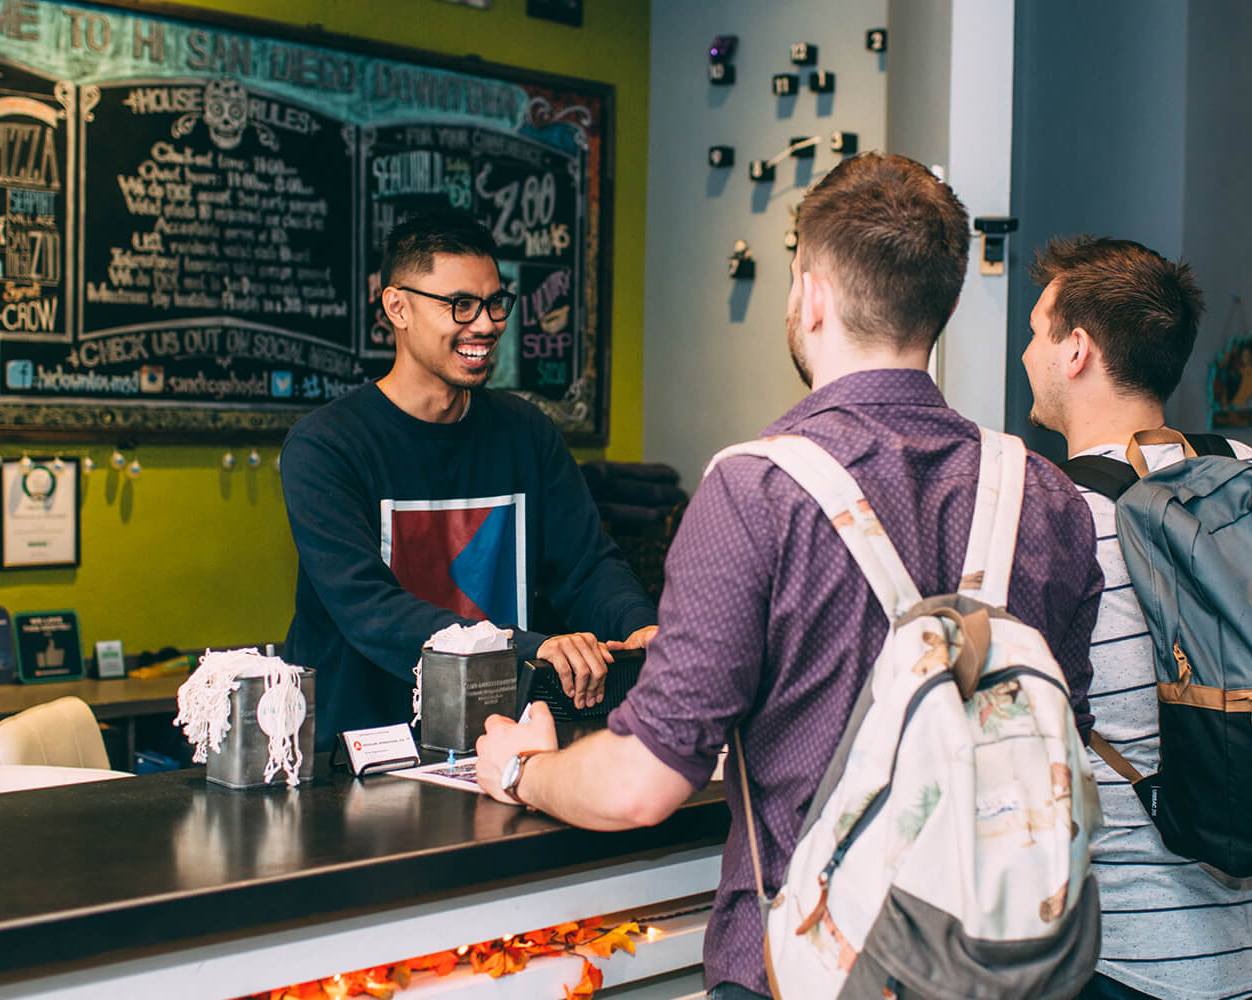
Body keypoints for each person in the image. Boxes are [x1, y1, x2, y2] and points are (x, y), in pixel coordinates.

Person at [472, 153, 1104, 1000]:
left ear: (808, 294)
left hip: (807, 972)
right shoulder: (1049, 494)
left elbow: (640, 785)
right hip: (1006, 969)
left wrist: (524, 769)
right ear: (943, 305)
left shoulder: (754, 489)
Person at [279, 211, 658, 750]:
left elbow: (586, 564)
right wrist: (531, 647)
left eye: (494, 303)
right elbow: (369, 608)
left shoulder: (526, 431)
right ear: (397, 307)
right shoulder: (327, 446)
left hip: (500, 741)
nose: (484, 324)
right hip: (363, 751)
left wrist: (639, 626)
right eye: (460, 305)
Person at [1018, 235, 1252, 1000]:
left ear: (1076, 349)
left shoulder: (1054, 507)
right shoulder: (1243, 468)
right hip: (1247, 926)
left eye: (1038, 331)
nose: (1029, 353)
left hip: (1122, 946)